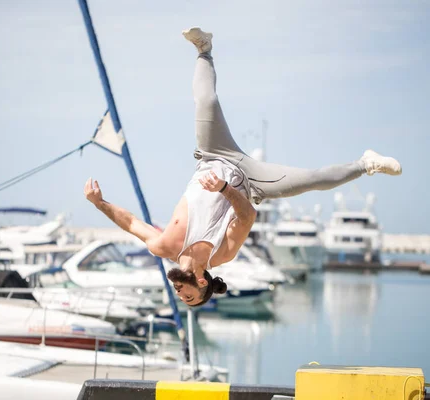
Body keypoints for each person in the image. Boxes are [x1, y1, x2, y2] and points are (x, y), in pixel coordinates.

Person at [84, 27, 402, 307]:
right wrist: (225, 189)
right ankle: (366, 163)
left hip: (213, 154)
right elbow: (248, 215)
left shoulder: (163, 245)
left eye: (182, 299)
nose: (181, 295)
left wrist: (101, 204)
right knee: (311, 180)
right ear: (203, 282)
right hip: (250, 181)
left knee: (206, 103)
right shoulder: (222, 254)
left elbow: (130, 223)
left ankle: (204, 50)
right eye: (189, 297)